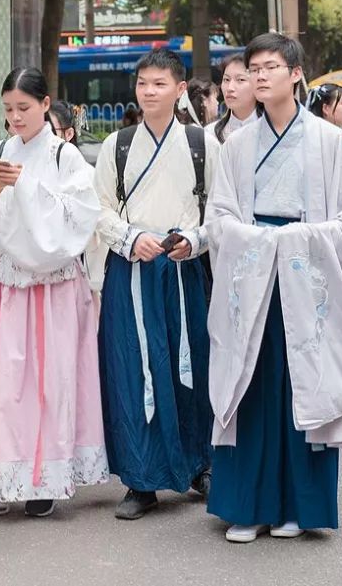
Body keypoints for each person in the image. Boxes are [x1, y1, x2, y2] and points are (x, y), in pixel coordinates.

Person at [206, 33, 342, 543]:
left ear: (297, 74)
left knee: (301, 384)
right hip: (253, 273)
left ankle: (301, 505)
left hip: (304, 275)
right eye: (253, 68)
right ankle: (248, 506)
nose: (259, 76)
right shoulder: (235, 144)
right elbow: (219, 216)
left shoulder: (329, 140)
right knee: (252, 386)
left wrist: (298, 239)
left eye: (270, 67)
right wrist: (254, 240)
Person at [0, 68, 106, 519]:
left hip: (53, 289)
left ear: (46, 105)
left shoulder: (68, 157)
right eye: (8, 109)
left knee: (50, 383)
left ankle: (43, 477)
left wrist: (24, 186)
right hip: (7, 283)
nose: (15, 118)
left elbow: (79, 218)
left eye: (23, 108)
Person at [93, 47, 217, 520]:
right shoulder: (117, 144)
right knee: (132, 370)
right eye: (143, 83)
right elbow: (98, 208)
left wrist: (196, 238)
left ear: (180, 89)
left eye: (159, 83)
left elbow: (221, 208)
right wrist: (130, 237)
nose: (149, 91)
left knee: (191, 366)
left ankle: (198, 464)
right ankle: (140, 478)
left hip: (183, 270)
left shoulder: (202, 143)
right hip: (132, 270)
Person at [208, 53, 260, 146]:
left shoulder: (273, 130)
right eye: (226, 80)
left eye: (240, 80)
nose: (230, 88)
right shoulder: (209, 134)